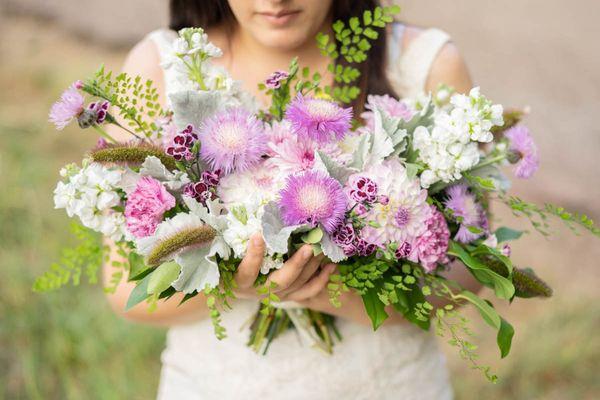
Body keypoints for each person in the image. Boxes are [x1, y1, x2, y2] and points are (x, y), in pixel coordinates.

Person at [103, 1, 480, 398]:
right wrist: (230, 284)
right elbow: (123, 289)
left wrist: (341, 293)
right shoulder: (161, 66)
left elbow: (473, 273)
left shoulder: (426, 64)